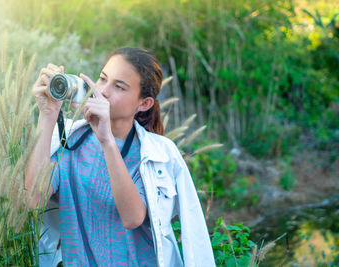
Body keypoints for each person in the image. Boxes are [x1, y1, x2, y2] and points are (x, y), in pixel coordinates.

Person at [25, 47, 215, 267]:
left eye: (119, 87)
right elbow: (33, 201)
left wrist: (107, 140)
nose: (103, 91)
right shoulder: (71, 141)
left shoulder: (152, 156)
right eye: (102, 78)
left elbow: (132, 218)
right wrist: (48, 116)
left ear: (144, 104)